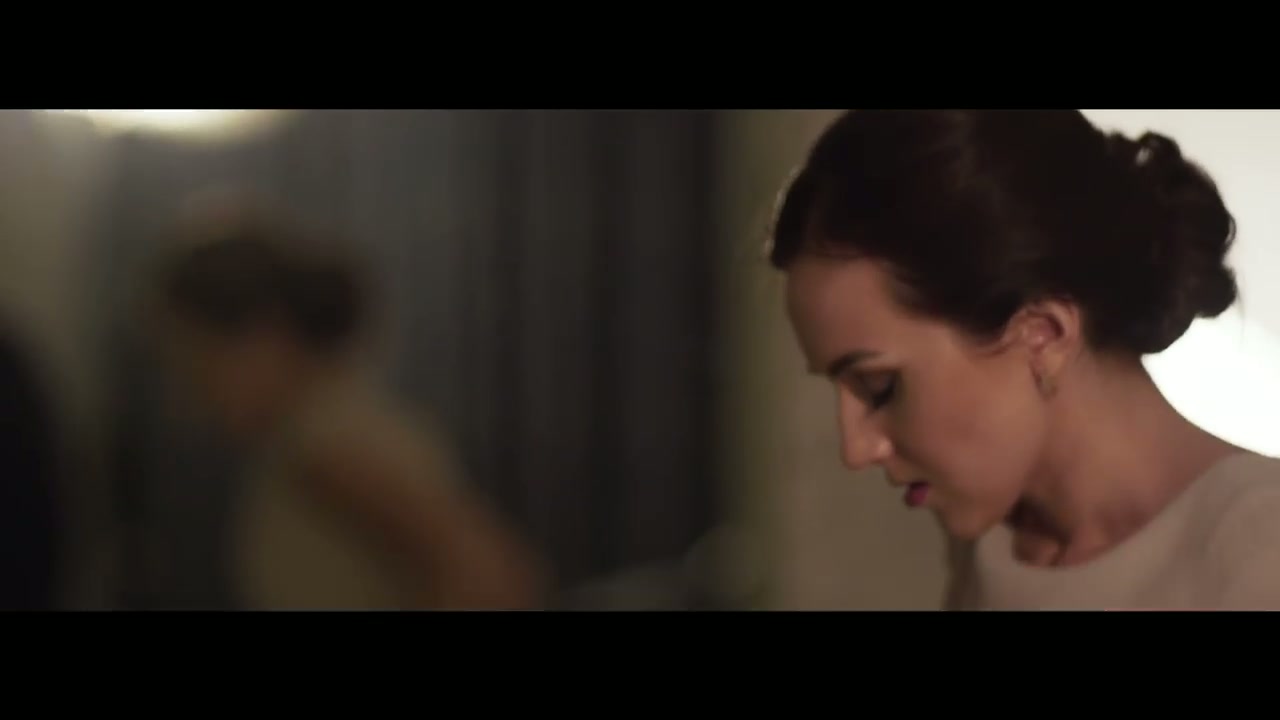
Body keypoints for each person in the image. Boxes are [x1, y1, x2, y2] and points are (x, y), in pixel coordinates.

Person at [768, 109, 1280, 611]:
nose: (856, 450)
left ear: (1043, 334)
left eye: (880, 386)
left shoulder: (1259, 556)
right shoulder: (994, 537)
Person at [151, 205, 546, 610]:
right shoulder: (308, 436)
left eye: (200, 365)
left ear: (266, 336)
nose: (193, 395)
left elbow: (491, 576)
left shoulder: (327, 443)